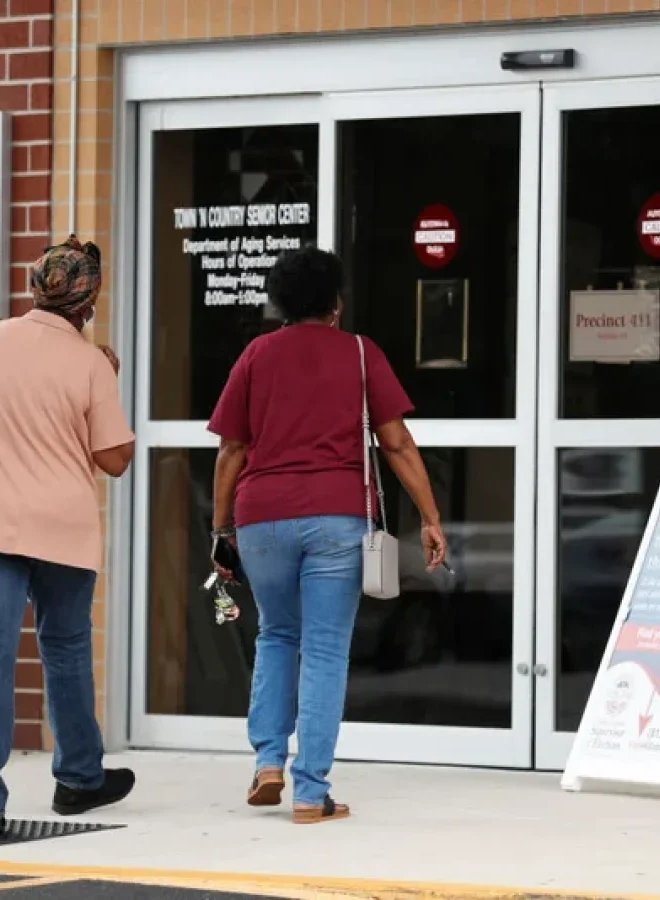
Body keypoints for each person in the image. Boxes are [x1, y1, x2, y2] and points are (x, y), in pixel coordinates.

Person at [208, 245, 447, 825]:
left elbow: (232, 451)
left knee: (275, 635)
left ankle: (268, 761)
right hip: (338, 518)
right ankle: (311, 791)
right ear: (336, 303)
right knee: (323, 649)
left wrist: (220, 527)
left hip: (261, 518)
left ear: (279, 303)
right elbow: (397, 444)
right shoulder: (361, 355)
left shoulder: (256, 355)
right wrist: (430, 516)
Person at [0, 235, 137, 841]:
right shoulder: (88, 361)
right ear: (88, 301)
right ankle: (79, 778)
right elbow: (114, 459)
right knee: (65, 650)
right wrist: (109, 378)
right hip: (63, 527)